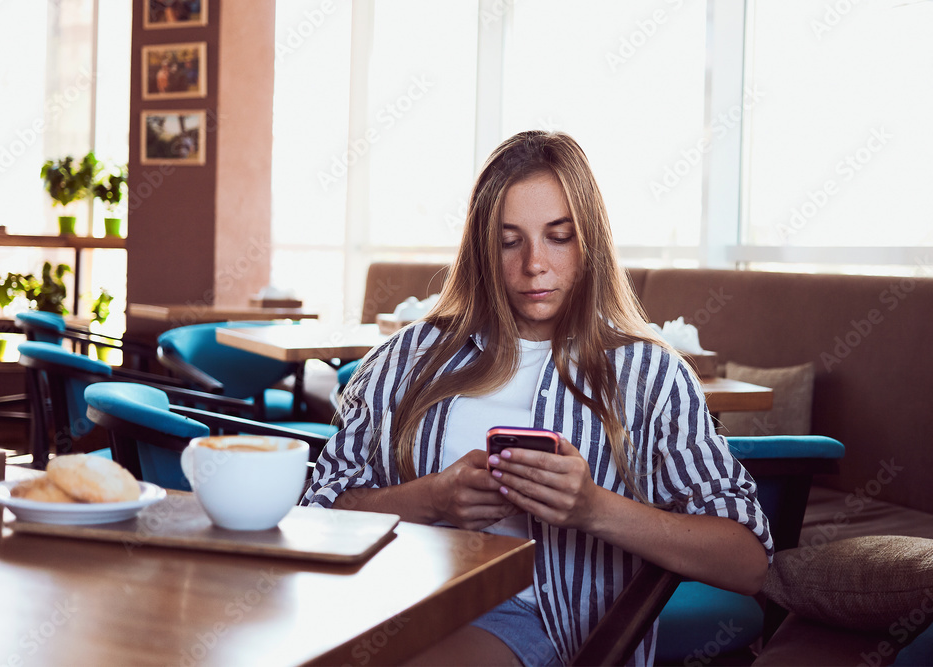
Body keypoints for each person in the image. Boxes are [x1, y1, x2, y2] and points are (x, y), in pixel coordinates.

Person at [302, 131, 772, 666]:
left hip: (533, 619)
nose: (534, 265)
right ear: (483, 248)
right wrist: (430, 499)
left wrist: (596, 510)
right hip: (383, 600)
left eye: (559, 236)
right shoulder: (407, 358)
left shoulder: (651, 375)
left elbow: (748, 560)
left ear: (589, 240)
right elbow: (316, 515)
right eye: (510, 241)